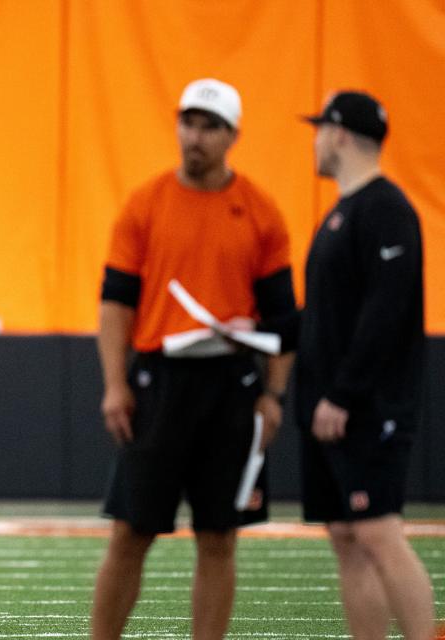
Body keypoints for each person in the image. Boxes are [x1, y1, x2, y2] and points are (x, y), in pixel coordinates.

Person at [91, 78, 298, 640]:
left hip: (232, 385)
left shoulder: (260, 212)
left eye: (210, 126)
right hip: (159, 382)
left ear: (232, 136)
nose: (196, 136)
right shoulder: (146, 204)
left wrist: (272, 397)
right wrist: (115, 384)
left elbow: (284, 321)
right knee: (131, 531)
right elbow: (115, 304)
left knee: (218, 535)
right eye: (189, 122)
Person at [297, 91, 435, 640]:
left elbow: (387, 309)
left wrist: (345, 394)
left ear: (338, 133)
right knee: (347, 537)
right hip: (332, 406)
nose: (313, 141)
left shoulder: (384, 208)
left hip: (367, 406)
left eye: (317, 129)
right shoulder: (341, 213)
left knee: (377, 532)